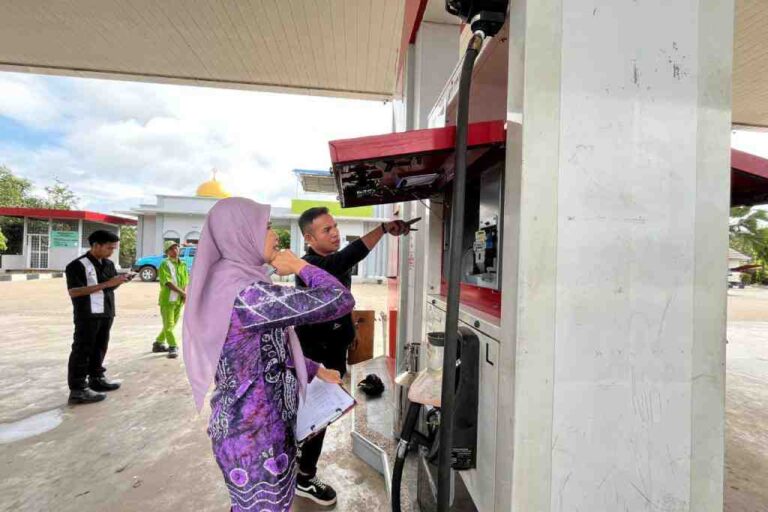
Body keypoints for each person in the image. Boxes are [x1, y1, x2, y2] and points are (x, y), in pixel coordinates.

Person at [182, 197, 354, 512]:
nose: (276, 236)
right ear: (240, 234)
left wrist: (314, 369)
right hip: (254, 439)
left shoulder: (235, 281)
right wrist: (302, 265)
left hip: (260, 429)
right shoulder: (247, 296)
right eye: (267, 227)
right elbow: (339, 299)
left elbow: (263, 351)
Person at [293, 207, 410, 505]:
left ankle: (298, 462)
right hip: (315, 358)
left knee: (319, 415)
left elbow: (341, 301)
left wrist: (349, 333)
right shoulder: (310, 267)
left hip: (333, 350)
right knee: (317, 417)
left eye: (335, 227)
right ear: (309, 238)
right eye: (326, 230)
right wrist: (383, 229)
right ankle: (304, 477)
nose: (335, 233)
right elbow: (345, 258)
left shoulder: (330, 263)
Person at [65, 229, 130, 405]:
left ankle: (96, 378)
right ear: (96, 245)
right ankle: (78, 389)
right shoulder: (76, 266)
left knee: (100, 346)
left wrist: (119, 281)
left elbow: (107, 287)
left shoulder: (108, 264)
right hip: (87, 315)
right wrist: (108, 283)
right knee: (82, 349)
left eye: (113, 248)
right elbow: (74, 291)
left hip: (106, 312)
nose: (111, 252)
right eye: (109, 248)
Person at [152, 240, 189, 358]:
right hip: (168, 300)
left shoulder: (182, 264)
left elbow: (185, 281)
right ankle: (173, 346)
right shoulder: (165, 264)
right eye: (172, 249)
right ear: (167, 252)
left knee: (171, 325)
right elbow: (167, 282)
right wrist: (183, 293)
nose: (175, 250)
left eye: (176, 248)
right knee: (169, 325)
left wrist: (184, 294)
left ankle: (158, 343)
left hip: (179, 300)